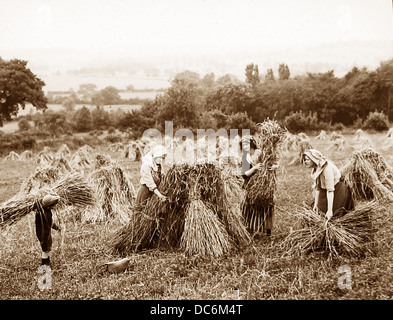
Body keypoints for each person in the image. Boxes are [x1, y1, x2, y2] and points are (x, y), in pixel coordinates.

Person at [302, 149, 354, 220]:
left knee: (335, 213)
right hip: (325, 190)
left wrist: (329, 210)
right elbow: (318, 188)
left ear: (314, 159)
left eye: (307, 159)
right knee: (320, 211)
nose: (305, 162)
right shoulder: (316, 169)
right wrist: (316, 204)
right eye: (305, 160)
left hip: (337, 189)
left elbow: (330, 191)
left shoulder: (327, 169)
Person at [240, 135, 275, 237]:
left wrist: (273, 167)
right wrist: (254, 168)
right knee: (248, 206)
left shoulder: (261, 153)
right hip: (250, 185)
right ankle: (249, 228)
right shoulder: (245, 157)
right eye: (242, 145)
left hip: (264, 185)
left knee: (266, 205)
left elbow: (274, 163)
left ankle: (267, 230)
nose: (245, 146)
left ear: (252, 144)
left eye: (247, 144)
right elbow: (244, 175)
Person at [34, 194, 61, 266]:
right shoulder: (47, 215)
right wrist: (57, 228)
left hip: (42, 232)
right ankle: (44, 264)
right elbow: (51, 224)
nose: (55, 206)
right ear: (49, 206)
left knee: (48, 247)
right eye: (54, 204)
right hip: (44, 234)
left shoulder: (41, 210)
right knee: (45, 250)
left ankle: (47, 261)